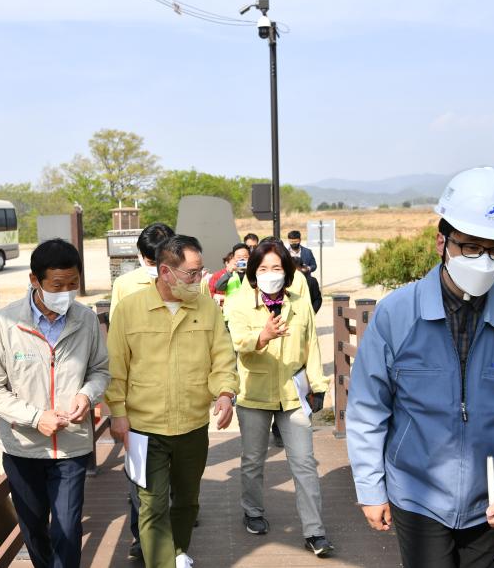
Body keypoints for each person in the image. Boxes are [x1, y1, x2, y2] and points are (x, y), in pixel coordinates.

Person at [346, 167, 494, 568]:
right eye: (469, 247)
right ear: (441, 242)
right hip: (416, 491)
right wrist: (370, 487)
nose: (483, 260)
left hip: (491, 497)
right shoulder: (397, 314)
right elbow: (367, 407)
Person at [105, 235, 240, 568]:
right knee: (151, 505)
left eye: (200, 272)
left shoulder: (205, 306)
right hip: (143, 426)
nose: (199, 280)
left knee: (187, 502)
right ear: (165, 271)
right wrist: (117, 414)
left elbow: (222, 357)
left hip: (192, 424)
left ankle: (176, 551)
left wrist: (225, 392)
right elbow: (115, 367)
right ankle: (163, 562)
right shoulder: (130, 309)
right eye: (191, 274)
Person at [0, 238, 110, 568]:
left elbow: (99, 372)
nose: (66, 292)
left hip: (72, 446)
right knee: (34, 528)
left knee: (66, 529)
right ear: (35, 281)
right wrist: (36, 417)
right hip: (23, 447)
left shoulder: (86, 320)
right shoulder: (5, 323)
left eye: (73, 284)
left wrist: (86, 395)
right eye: (57, 285)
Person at [228, 239, 335, 558]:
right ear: (253, 273)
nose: (270, 273)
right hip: (254, 393)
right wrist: (261, 337)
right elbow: (237, 341)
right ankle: (253, 511)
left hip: (293, 393)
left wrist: (318, 384)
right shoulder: (238, 302)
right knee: (252, 459)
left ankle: (315, 531)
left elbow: (311, 343)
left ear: (287, 272)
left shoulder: (299, 302)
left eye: (276, 267)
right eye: (263, 268)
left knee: (304, 462)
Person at [107, 221, 174, 559]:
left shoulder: (191, 282)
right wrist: (116, 405)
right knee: (139, 471)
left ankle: (173, 525)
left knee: (172, 470)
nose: (154, 270)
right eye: (149, 262)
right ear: (140, 257)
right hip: (138, 396)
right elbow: (116, 346)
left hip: (178, 395)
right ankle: (141, 535)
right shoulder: (124, 284)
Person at [109, 222, 175, 320]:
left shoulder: (193, 282)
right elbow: (116, 326)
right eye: (152, 263)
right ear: (141, 256)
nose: (160, 269)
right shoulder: (123, 284)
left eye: (165, 263)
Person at [216, 243, 252, 323]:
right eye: (239, 257)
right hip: (231, 316)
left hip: (249, 315)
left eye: (245, 257)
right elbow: (219, 286)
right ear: (234, 258)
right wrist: (230, 272)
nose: (242, 259)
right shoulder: (229, 274)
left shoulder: (254, 274)